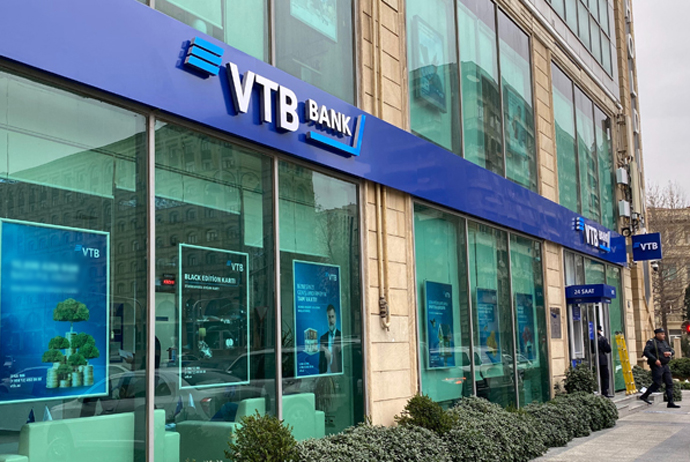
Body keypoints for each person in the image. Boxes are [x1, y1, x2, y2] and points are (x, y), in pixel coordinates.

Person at [639, 328, 680, 408]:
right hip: (657, 366)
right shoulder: (652, 342)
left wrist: (670, 353)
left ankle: (670, 402)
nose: (664, 336)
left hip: (665, 365)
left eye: (664, 334)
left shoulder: (664, 342)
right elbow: (646, 352)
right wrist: (655, 360)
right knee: (657, 383)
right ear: (657, 334)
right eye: (662, 334)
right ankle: (645, 395)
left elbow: (671, 350)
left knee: (669, 383)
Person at [319, 304, 341, 374]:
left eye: (332, 317)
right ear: (327, 319)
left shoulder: (341, 336)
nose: (331, 320)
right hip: (326, 374)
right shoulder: (323, 338)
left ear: (335, 317)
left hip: (338, 374)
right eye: (329, 317)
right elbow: (321, 361)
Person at [596, 326, 613, 398]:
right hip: (602, 360)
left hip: (594, 360)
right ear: (599, 330)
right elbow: (608, 349)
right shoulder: (602, 339)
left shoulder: (590, 338)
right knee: (605, 376)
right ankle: (604, 392)